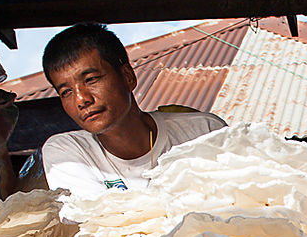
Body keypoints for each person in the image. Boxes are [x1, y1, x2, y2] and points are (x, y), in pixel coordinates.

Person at [40, 22, 226, 198]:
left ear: (128, 76)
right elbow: (101, 224)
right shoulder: (67, 154)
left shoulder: (205, 133)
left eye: (91, 80)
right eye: (66, 92)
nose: (81, 100)